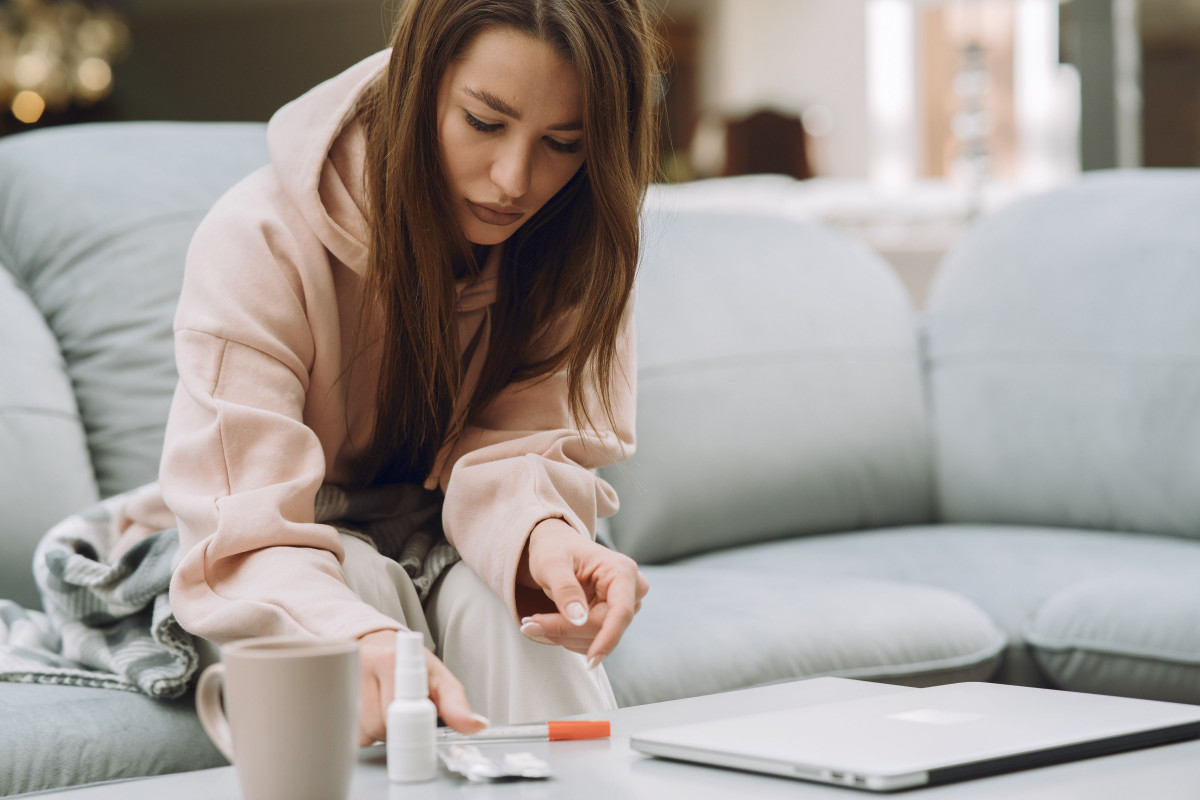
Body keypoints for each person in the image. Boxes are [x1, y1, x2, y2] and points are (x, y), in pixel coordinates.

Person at [157, 0, 661, 746]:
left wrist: (547, 540)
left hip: (449, 539)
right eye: (484, 123)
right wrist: (357, 636)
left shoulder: (573, 247)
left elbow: (523, 453)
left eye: (562, 142)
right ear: (420, 84)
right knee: (359, 593)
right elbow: (247, 527)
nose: (513, 179)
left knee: (514, 612)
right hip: (288, 550)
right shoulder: (257, 240)